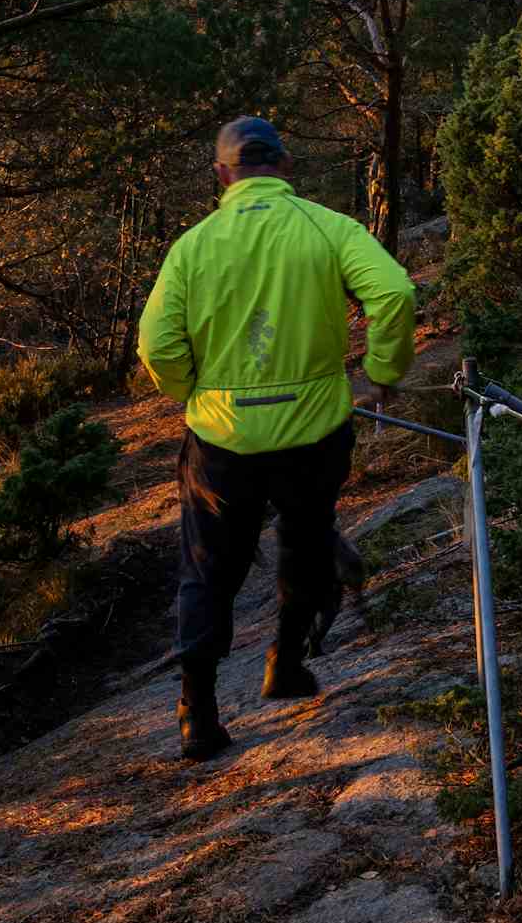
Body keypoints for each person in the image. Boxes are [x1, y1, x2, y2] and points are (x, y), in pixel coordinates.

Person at [137, 116, 417, 760]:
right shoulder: (329, 228)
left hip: (221, 438)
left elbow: (156, 344)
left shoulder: (194, 245)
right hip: (313, 430)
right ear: (286, 166)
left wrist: (190, 391)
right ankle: (286, 662)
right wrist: (382, 371)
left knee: (208, 569)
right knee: (307, 539)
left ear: (222, 174)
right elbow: (395, 292)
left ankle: (197, 713)